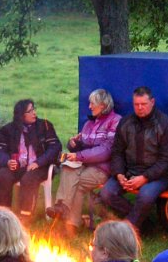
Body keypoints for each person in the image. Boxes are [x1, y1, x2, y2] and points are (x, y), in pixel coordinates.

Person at [99, 86, 168, 229]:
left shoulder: (166, 124)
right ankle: (144, 223)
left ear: (152, 102)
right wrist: (119, 174)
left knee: (145, 195)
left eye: (143, 104)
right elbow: (117, 151)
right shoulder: (125, 122)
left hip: (157, 175)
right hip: (129, 171)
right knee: (106, 193)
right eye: (136, 104)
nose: (140, 108)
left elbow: (167, 160)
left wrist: (144, 178)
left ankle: (127, 229)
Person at [46, 88, 119, 232]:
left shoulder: (115, 122)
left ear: (103, 105)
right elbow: (83, 147)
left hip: (102, 168)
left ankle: (70, 223)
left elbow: (106, 151)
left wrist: (79, 156)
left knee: (77, 184)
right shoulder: (89, 124)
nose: (89, 107)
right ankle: (62, 208)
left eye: (92, 104)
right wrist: (73, 144)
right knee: (67, 167)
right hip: (85, 164)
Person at [0, 98, 61, 220]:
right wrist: (7, 161)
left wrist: (39, 162)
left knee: (28, 179)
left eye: (34, 109)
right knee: (2, 176)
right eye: (30, 111)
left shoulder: (44, 126)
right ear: (21, 115)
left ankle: (25, 217)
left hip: (39, 166)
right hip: (18, 166)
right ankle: (3, 215)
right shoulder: (8, 130)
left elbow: (55, 147)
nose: (34, 113)